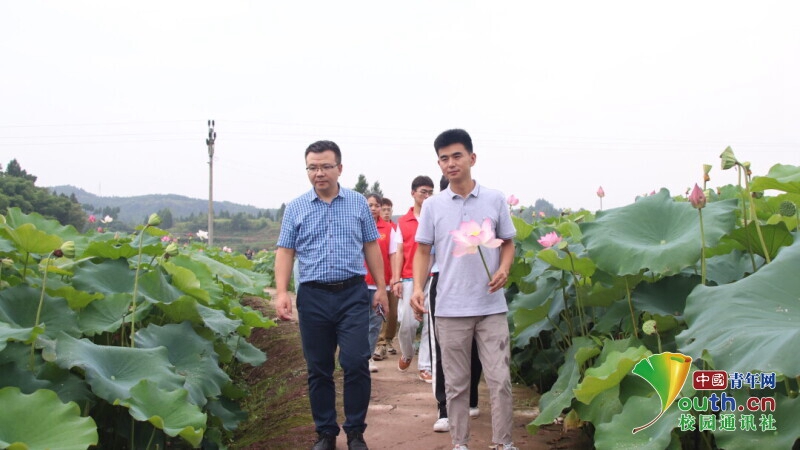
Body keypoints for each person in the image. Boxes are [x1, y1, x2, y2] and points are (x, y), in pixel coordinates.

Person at [274, 140, 388, 450]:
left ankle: (355, 432)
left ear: (339, 168)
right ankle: (325, 432)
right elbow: (285, 251)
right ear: (307, 169)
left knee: (355, 362)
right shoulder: (296, 207)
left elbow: (371, 246)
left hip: (352, 293)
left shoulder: (357, 204)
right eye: (312, 167)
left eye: (325, 166)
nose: (319, 173)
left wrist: (380, 288)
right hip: (312, 298)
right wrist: (282, 292)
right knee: (319, 367)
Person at [411, 129, 518, 450]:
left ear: (472, 158)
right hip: (450, 308)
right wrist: (418, 287)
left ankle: (503, 443)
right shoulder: (433, 206)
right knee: (456, 385)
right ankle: (460, 444)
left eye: (457, 156)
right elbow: (422, 250)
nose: (450, 163)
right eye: (444, 158)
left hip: (491, 307)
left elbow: (508, 241)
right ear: (439, 164)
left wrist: (503, 268)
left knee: (500, 381)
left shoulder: (494, 199)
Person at [429, 175, 483, 433]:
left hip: (477, 282)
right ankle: (445, 408)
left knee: (476, 345)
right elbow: (424, 254)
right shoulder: (434, 211)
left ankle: (471, 397)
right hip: (444, 282)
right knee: (445, 348)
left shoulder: (481, 211)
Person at [392, 176, 435, 383]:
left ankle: (425, 366)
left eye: (430, 192)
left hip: (433, 276)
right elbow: (399, 251)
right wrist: (396, 279)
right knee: (408, 324)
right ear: (413, 193)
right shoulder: (403, 222)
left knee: (429, 322)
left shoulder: (436, 216)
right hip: (409, 276)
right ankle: (408, 353)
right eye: (423, 192)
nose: (426, 196)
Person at [364, 193, 394, 373]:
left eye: (377, 205)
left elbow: (394, 255)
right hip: (359, 284)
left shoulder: (389, 229)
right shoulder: (356, 225)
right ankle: (354, 356)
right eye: (370, 205)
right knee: (358, 322)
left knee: (375, 323)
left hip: (380, 286)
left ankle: (367, 357)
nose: (373, 209)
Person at [374, 197, 399, 359]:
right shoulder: (373, 228)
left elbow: (397, 255)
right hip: (375, 279)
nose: (387, 212)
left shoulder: (394, 229)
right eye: (384, 209)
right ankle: (380, 343)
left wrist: (397, 277)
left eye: (389, 210)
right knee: (379, 312)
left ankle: (387, 339)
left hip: (392, 278)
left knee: (393, 313)